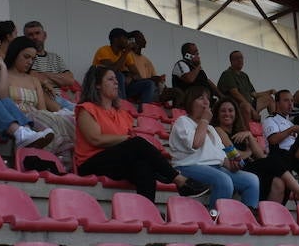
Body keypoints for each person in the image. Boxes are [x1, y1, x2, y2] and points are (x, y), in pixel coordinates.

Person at [72, 65, 207, 200]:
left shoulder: (121, 113)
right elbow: (95, 139)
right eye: (110, 79)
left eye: (116, 79)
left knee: (144, 167)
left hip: (114, 161)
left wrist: (127, 141)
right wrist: (125, 139)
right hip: (90, 163)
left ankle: (148, 209)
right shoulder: (87, 109)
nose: (116, 82)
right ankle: (179, 180)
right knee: (136, 143)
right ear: (97, 85)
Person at [212, 96, 299, 208]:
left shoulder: (242, 132)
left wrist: (249, 135)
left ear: (235, 114)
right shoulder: (218, 130)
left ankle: (271, 222)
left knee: (278, 182)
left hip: (252, 168)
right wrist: (249, 151)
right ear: (217, 114)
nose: (227, 113)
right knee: (275, 159)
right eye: (223, 111)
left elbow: (260, 155)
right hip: (236, 168)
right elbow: (235, 155)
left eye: (230, 110)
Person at [169, 86, 260, 208]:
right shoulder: (183, 121)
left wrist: (232, 165)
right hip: (188, 165)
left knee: (252, 180)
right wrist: (205, 120)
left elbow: (221, 156)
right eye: (201, 98)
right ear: (191, 102)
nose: (206, 102)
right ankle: (216, 221)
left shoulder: (210, 129)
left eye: (208, 98)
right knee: (224, 180)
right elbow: (195, 144)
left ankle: (247, 220)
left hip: (215, 167)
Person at [3, 37, 76, 162]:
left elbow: (42, 109)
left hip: (37, 115)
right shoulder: (4, 75)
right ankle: (45, 159)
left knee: (69, 120)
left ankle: (62, 158)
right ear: (15, 53)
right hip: (19, 118)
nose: (30, 62)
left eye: (33, 59)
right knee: (49, 120)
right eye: (26, 57)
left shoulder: (34, 80)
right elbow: (2, 100)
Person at [92, 28, 157, 104]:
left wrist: (131, 77)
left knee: (149, 83)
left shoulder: (126, 54)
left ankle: (144, 110)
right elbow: (111, 70)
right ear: (115, 39)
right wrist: (126, 52)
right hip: (101, 86)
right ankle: (123, 104)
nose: (127, 40)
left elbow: (138, 75)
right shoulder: (104, 50)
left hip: (119, 88)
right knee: (119, 76)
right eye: (125, 38)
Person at [21, 20, 78, 103]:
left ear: (44, 35)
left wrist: (44, 75)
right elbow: (30, 77)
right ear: (25, 38)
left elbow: (70, 80)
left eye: (37, 33)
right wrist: (58, 79)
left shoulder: (55, 57)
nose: (35, 37)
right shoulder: (25, 58)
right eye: (30, 35)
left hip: (60, 100)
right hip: (39, 101)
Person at [217, 50, 273, 119]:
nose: (240, 60)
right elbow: (235, 93)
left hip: (249, 104)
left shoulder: (244, 75)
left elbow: (254, 94)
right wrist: (252, 109)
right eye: (237, 58)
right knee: (246, 106)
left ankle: (275, 122)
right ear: (231, 61)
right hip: (237, 105)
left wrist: (269, 92)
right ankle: (248, 128)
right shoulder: (227, 74)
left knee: (269, 98)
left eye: (241, 58)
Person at [263, 89, 299, 153]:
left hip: (295, 154)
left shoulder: (290, 123)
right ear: (277, 103)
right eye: (286, 100)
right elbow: (273, 140)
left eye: (292, 101)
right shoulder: (270, 120)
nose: (290, 104)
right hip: (282, 156)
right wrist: (292, 129)